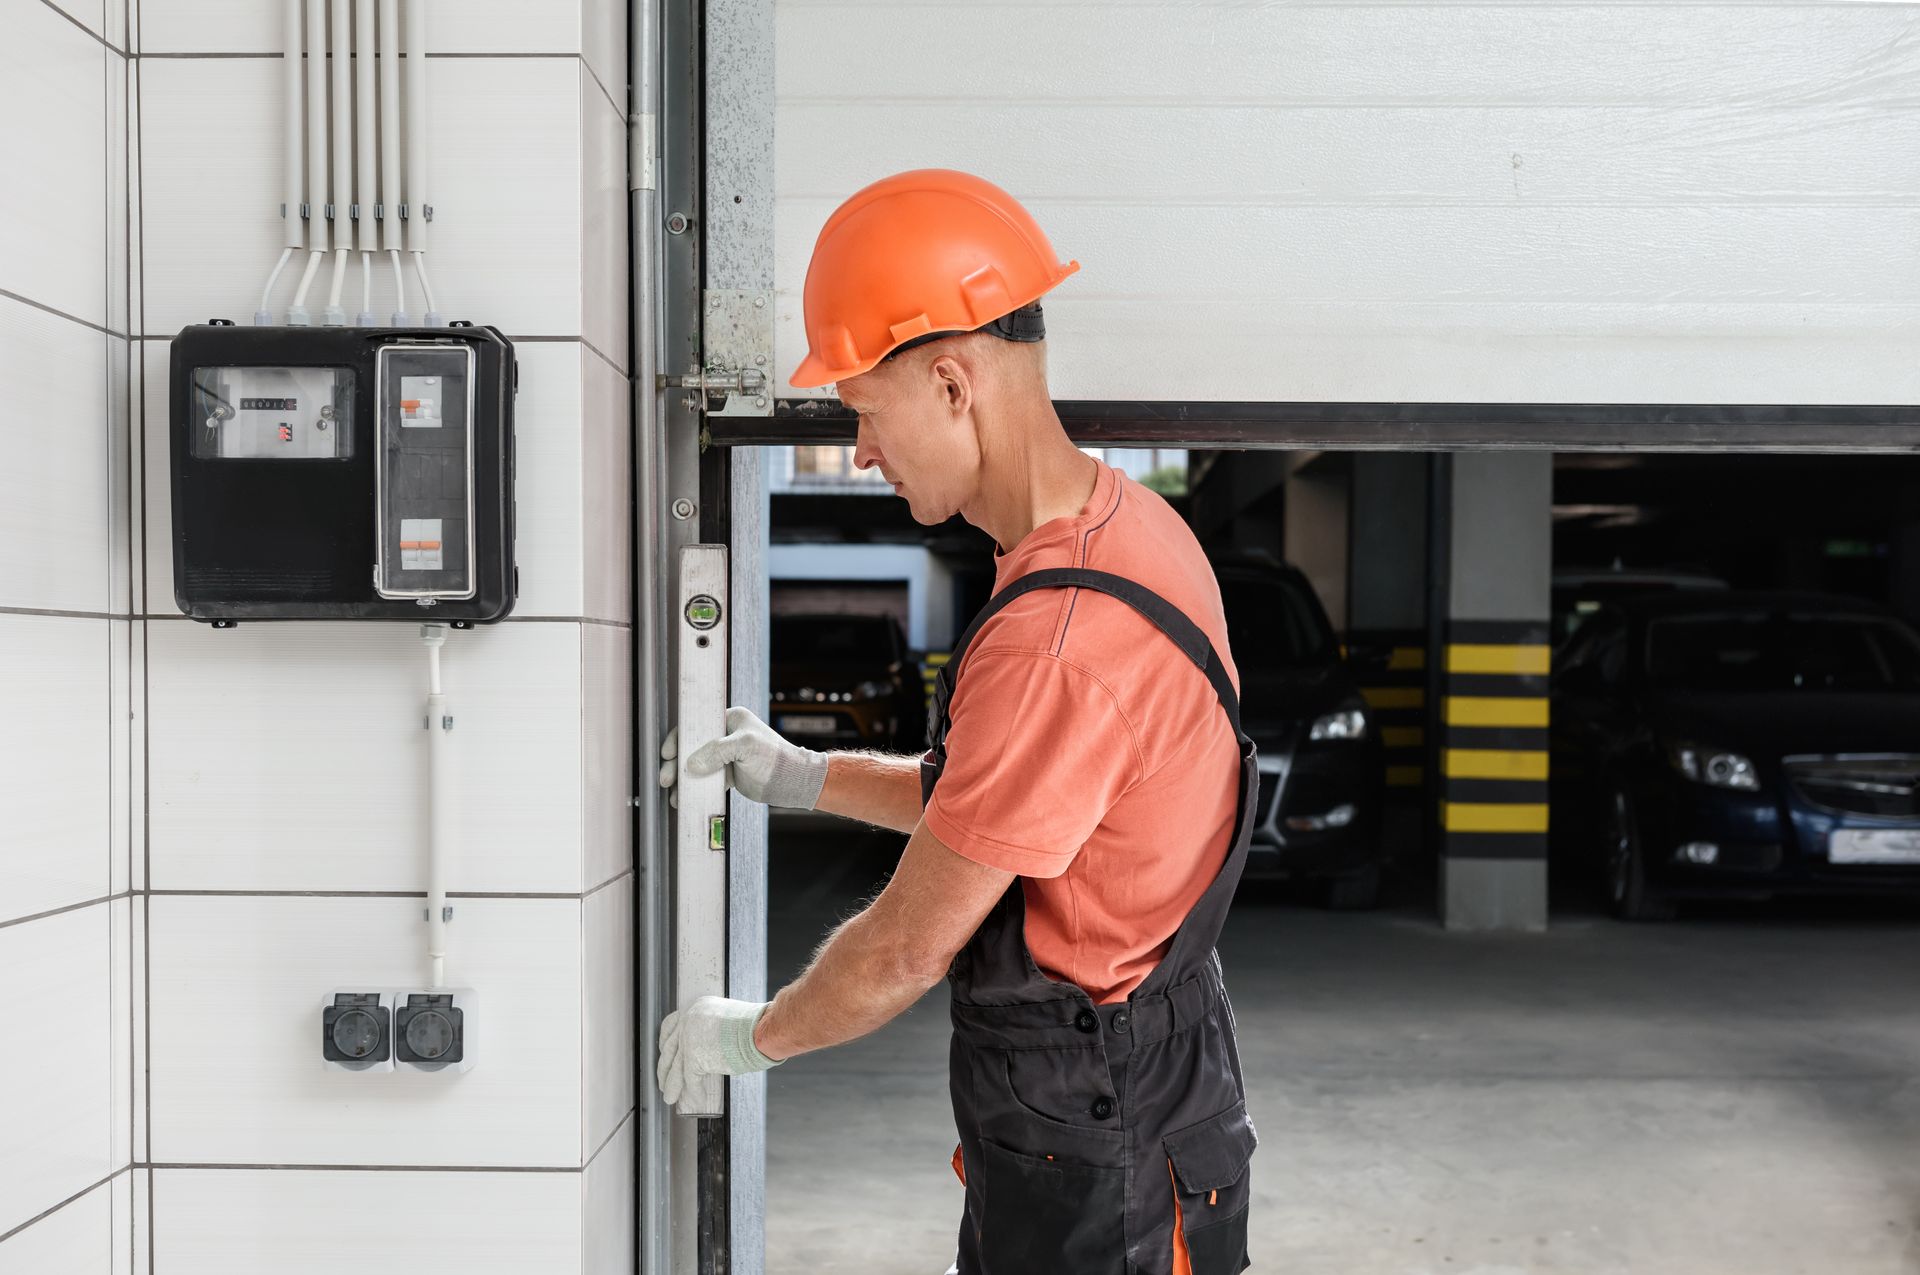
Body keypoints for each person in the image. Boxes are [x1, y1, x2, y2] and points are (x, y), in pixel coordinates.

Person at [656, 169, 1259, 1275]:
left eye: (866, 419)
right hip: (1125, 1104)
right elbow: (1004, 804)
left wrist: (750, 1037)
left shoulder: (1058, 642)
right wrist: (802, 774)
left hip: (1103, 1151)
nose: (864, 454)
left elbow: (899, 952)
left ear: (950, 383)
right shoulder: (1132, 532)